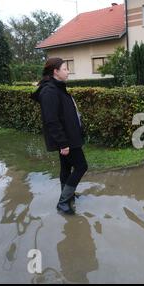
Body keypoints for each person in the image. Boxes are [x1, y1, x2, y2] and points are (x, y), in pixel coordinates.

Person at [30, 58, 87, 215]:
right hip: (67, 139)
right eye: (65, 69)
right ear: (55, 71)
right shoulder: (50, 91)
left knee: (66, 167)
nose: (68, 71)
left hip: (70, 136)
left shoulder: (58, 88)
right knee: (82, 166)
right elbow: (51, 121)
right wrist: (63, 143)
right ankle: (63, 202)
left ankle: (68, 197)